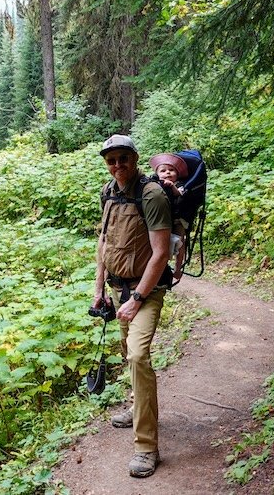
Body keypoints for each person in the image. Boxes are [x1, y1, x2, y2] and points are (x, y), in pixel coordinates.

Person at [93, 134, 172, 478]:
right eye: (111, 160)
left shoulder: (151, 195)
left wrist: (138, 297)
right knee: (129, 352)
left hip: (145, 291)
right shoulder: (108, 192)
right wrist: (98, 288)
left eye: (123, 158)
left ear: (135, 158)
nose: (117, 166)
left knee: (138, 355)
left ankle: (146, 447)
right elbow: (104, 240)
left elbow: (161, 252)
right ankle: (138, 405)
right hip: (117, 288)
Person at [149, 152, 190, 281]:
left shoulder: (179, 185)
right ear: (157, 174)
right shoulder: (155, 185)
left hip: (178, 220)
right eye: (163, 171)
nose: (168, 173)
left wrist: (172, 187)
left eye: (171, 170)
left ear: (177, 174)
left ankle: (178, 268)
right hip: (162, 219)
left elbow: (179, 195)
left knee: (180, 242)